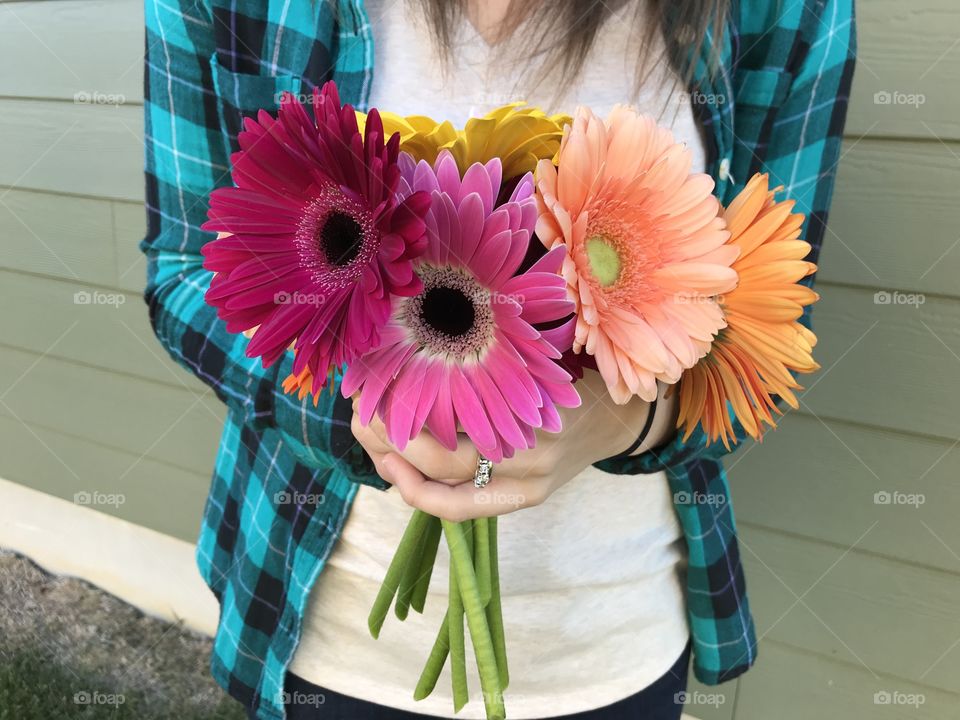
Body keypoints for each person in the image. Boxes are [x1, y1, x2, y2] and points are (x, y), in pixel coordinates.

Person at [141, 1, 856, 718]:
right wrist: (366, 404)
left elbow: (767, 328)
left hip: (608, 641)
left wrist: (627, 419)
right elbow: (186, 269)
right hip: (326, 627)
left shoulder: (791, 13)